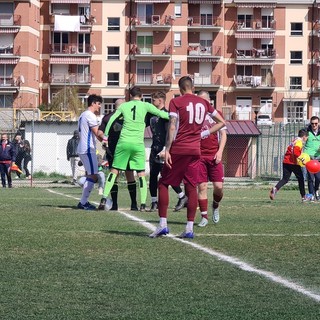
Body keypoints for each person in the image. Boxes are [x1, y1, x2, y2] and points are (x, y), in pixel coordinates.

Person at [149, 76, 226, 239]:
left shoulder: (176, 102)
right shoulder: (204, 103)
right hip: (195, 150)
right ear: (193, 87)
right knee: (191, 186)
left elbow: (172, 126)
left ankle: (163, 225)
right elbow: (221, 122)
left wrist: (167, 149)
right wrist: (204, 133)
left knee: (163, 183)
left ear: (180, 88)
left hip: (179, 148)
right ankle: (189, 228)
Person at [98, 86, 169, 212]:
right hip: (137, 144)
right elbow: (161, 113)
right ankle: (142, 204)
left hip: (123, 142)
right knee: (141, 173)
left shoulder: (124, 106)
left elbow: (111, 120)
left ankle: (103, 198)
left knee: (114, 171)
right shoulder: (146, 105)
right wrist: (175, 117)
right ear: (141, 96)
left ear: (130, 95)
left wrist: (106, 137)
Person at [146, 91, 187, 212]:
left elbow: (170, 132)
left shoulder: (167, 114)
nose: (152, 103)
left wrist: (166, 149)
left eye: (153, 100)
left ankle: (182, 196)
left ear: (160, 100)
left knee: (167, 176)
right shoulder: (151, 115)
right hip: (154, 148)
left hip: (164, 149)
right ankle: (154, 202)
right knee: (153, 176)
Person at [98, 98, 139, 211]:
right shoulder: (128, 116)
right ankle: (134, 204)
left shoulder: (107, 117)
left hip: (112, 150)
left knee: (113, 176)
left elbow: (99, 132)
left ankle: (114, 205)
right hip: (127, 149)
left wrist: (105, 139)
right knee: (129, 174)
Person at [197, 90, 227, 227]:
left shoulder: (216, 114)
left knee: (218, 187)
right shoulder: (195, 116)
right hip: (199, 156)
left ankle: (215, 205)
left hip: (214, 155)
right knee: (202, 187)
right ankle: (204, 217)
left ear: (209, 101)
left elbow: (224, 134)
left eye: (204, 100)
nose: (202, 103)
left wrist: (220, 152)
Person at [76, 94, 103, 210]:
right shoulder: (90, 115)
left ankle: (82, 183)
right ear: (93, 103)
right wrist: (107, 140)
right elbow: (97, 133)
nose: (100, 106)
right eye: (98, 103)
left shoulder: (83, 115)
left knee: (92, 175)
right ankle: (83, 202)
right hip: (88, 149)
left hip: (84, 148)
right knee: (94, 175)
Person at [269, 129, 308, 201]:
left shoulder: (294, 140)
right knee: (301, 179)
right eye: (307, 137)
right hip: (293, 163)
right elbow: (296, 152)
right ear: (304, 137)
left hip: (286, 162)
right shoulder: (299, 142)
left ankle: (275, 188)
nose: (306, 139)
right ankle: (303, 197)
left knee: (285, 179)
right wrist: (302, 159)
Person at [303, 116, 320, 200]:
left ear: (319, 123)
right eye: (312, 123)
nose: (314, 125)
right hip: (309, 158)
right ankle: (311, 194)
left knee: (318, 177)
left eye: (316, 123)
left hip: (318, 158)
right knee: (310, 178)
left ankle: (316, 190)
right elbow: (301, 141)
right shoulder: (307, 132)